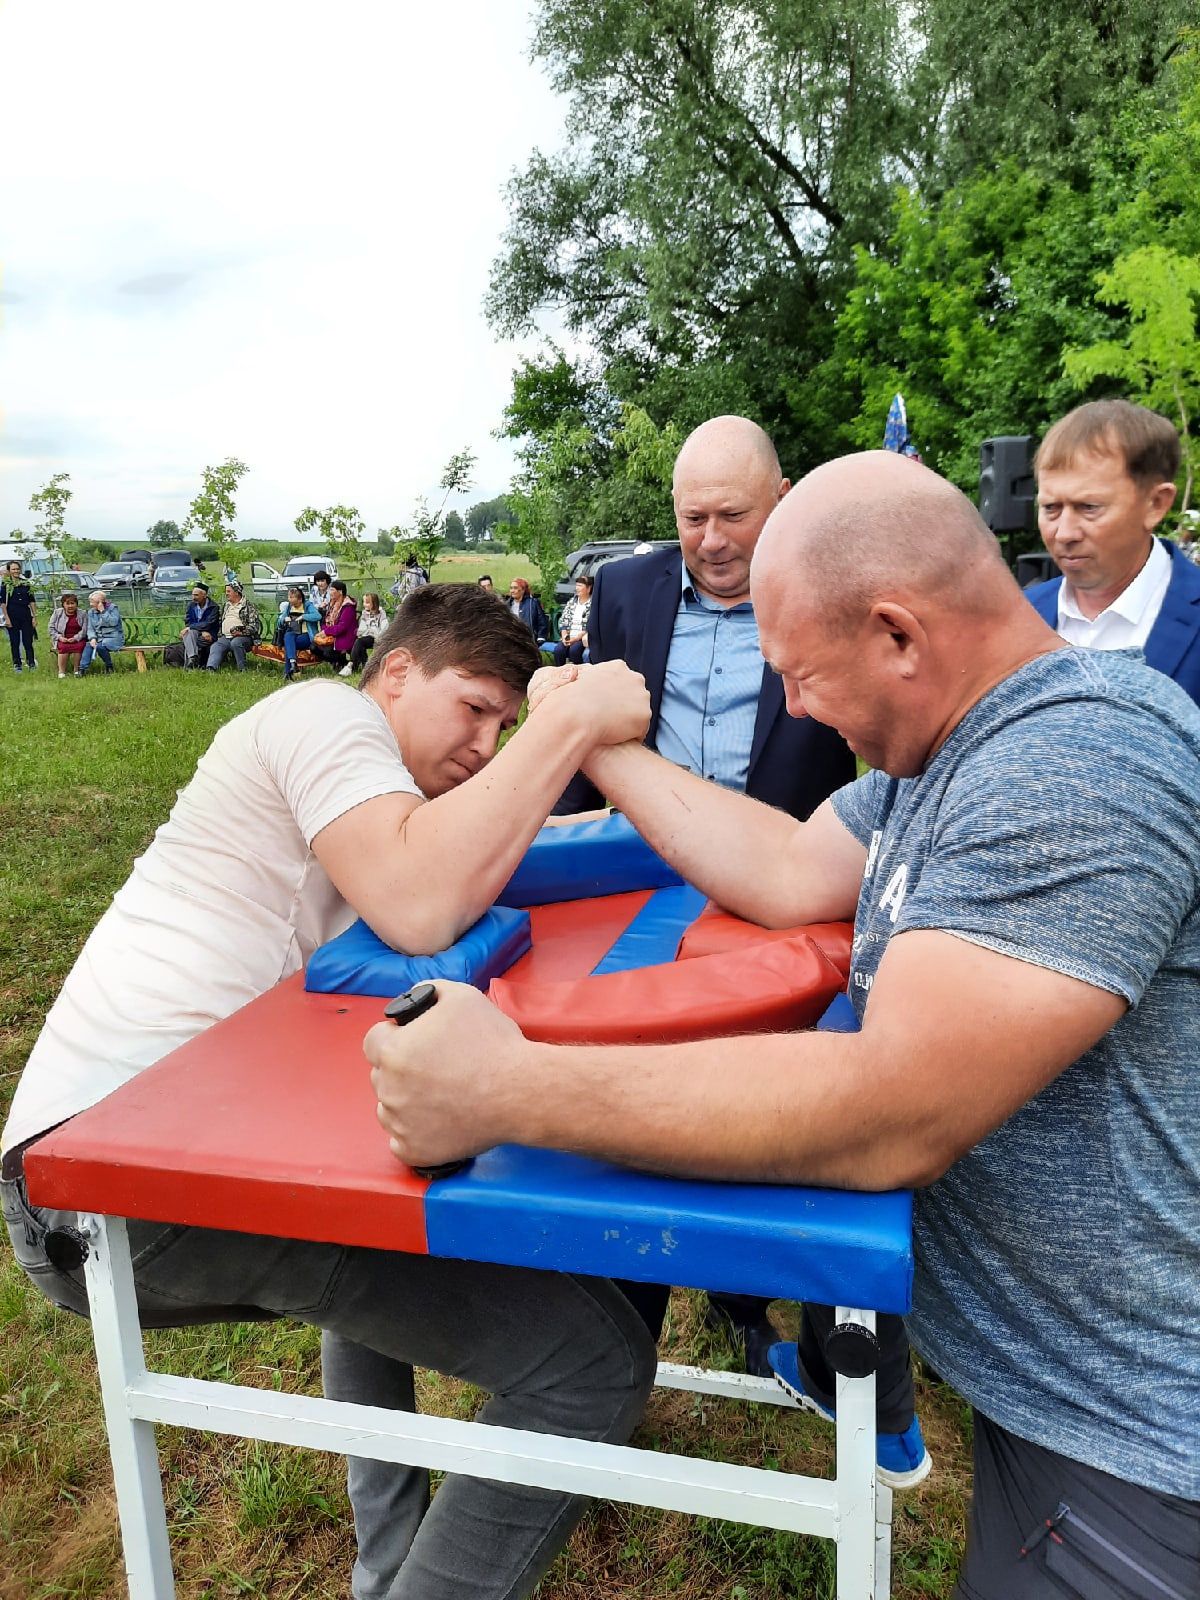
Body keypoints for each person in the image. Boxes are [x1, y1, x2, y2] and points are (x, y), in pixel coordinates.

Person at [369, 453, 1200, 1600]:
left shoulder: (1074, 760)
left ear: (900, 635)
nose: (796, 708)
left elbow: (888, 1110)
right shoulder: (952, 750)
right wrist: (595, 740)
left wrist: (506, 1088)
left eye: (803, 676)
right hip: (1048, 1378)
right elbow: (782, 860)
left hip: (1132, 1428)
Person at [2, 583, 657, 1600]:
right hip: (106, 1177)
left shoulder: (393, 800)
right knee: (590, 1362)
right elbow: (418, 900)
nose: (489, 743)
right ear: (397, 671)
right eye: (474, 707)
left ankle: (387, 1569)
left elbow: (516, 861)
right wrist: (568, 721)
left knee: (390, 1228)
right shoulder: (325, 712)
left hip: (152, 1162)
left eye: (507, 720)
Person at [555, 417, 859, 1395]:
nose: (715, 538)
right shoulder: (628, 590)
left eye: (734, 514)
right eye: (694, 517)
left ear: (780, 499)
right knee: (626, 1088)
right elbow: (585, 745)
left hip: (784, 900)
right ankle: (611, 1323)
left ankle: (744, 1292)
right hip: (638, 890)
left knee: (761, 1099)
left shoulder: (830, 585)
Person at [1026, 399, 1200, 704]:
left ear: (1156, 504)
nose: (1064, 533)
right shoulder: (1021, 616)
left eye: (1089, 508)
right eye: (1051, 508)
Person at [205, 581, 262, 673]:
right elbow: (220, 621)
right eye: (226, 591)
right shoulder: (226, 605)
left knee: (236, 643)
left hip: (244, 637)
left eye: (228, 591)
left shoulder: (248, 606)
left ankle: (242, 669)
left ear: (236, 592)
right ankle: (211, 668)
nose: (226, 594)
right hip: (225, 637)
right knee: (216, 646)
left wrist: (241, 632)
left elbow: (254, 626)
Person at [276, 585, 322, 680]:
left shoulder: (308, 605)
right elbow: (279, 621)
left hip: (306, 636)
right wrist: (284, 619)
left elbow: (318, 616)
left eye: (295, 603)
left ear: (300, 599)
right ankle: (293, 664)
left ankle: (288, 671)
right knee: (288, 636)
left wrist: (304, 617)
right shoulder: (289, 606)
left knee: (289, 645)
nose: (292, 604)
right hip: (293, 634)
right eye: (289, 599)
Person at [309, 579, 357, 668]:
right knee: (313, 647)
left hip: (343, 636)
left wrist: (326, 632)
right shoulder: (331, 604)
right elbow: (325, 621)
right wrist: (325, 630)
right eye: (329, 590)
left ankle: (343, 663)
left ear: (340, 592)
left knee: (327, 652)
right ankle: (338, 662)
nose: (329, 592)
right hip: (331, 635)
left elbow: (342, 627)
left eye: (332, 590)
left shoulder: (348, 607)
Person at [2, 560, 37, 672]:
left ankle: (31, 663)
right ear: (9, 570)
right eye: (13, 569)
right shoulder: (5, 585)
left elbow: (31, 601)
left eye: (17, 569)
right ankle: (17, 664)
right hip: (12, 615)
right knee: (15, 641)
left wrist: (34, 617)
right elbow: (3, 603)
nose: (16, 571)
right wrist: (6, 618)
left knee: (28, 641)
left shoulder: (26, 583)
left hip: (25, 615)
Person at [80, 590, 124, 674]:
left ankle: (109, 666)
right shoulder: (91, 612)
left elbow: (113, 622)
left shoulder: (112, 608)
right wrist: (92, 638)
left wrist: (103, 611)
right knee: (89, 645)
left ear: (101, 602)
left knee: (100, 647)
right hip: (99, 638)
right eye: (90, 601)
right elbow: (90, 628)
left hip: (114, 638)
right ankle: (82, 669)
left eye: (93, 602)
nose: (91, 604)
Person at [552, 575, 592, 665]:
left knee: (574, 651)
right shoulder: (571, 602)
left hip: (581, 637)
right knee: (558, 650)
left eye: (580, 586)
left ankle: (578, 674)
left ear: (589, 588)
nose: (577, 588)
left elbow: (589, 627)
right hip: (569, 636)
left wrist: (575, 639)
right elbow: (564, 621)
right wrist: (564, 636)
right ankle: (560, 673)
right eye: (577, 585)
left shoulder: (592, 604)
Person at [344, 591, 387, 676]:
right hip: (368, 636)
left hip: (379, 637)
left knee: (359, 642)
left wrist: (374, 633)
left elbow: (384, 628)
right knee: (359, 642)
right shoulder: (364, 613)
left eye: (367, 603)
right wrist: (366, 631)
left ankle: (352, 665)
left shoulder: (381, 613)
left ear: (374, 603)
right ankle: (364, 666)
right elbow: (362, 629)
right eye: (364, 602)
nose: (365, 605)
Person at [180, 582, 220, 669]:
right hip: (197, 632)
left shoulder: (213, 607)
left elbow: (209, 623)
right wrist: (200, 631)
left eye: (196, 595)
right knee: (188, 634)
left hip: (209, 633)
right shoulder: (191, 605)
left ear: (204, 595)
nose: (193, 597)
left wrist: (191, 628)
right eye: (193, 595)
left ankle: (191, 665)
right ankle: (193, 658)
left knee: (192, 640)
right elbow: (188, 621)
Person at [49, 591, 86, 678]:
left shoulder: (82, 613)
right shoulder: (57, 613)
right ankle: (61, 672)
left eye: (72, 603)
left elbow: (85, 629)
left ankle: (76, 671)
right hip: (62, 637)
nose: (70, 606)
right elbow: (51, 628)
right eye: (67, 604)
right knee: (63, 647)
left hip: (78, 638)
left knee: (79, 646)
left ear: (76, 604)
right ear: (63, 605)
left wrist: (76, 638)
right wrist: (60, 637)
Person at [506, 577, 549, 645]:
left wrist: (541, 637)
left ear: (523, 590)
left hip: (529, 639)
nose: (512, 591)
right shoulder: (507, 605)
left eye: (515, 588)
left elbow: (542, 622)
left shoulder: (533, 603)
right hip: (511, 638)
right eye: (511, 588)